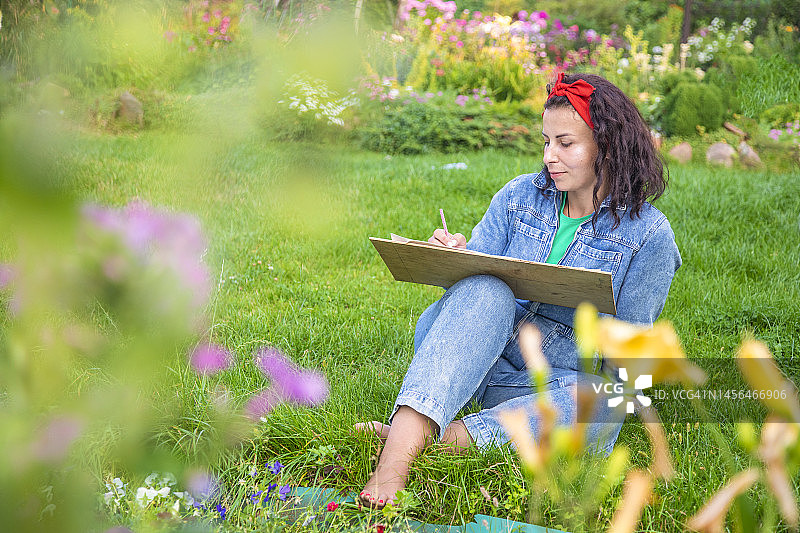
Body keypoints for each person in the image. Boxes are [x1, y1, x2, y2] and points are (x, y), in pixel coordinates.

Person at [357, 72, 682, 509]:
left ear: (608, 145)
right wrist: (455, 255)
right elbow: (466, 303)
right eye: (546, 141)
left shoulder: (649, 237)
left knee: (603, 402)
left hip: (548, 388)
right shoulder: (517, 197)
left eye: (566, 143)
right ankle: (394, 465)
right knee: (487, 289)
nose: (550, 156)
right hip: (472, 365)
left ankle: (432, 435)